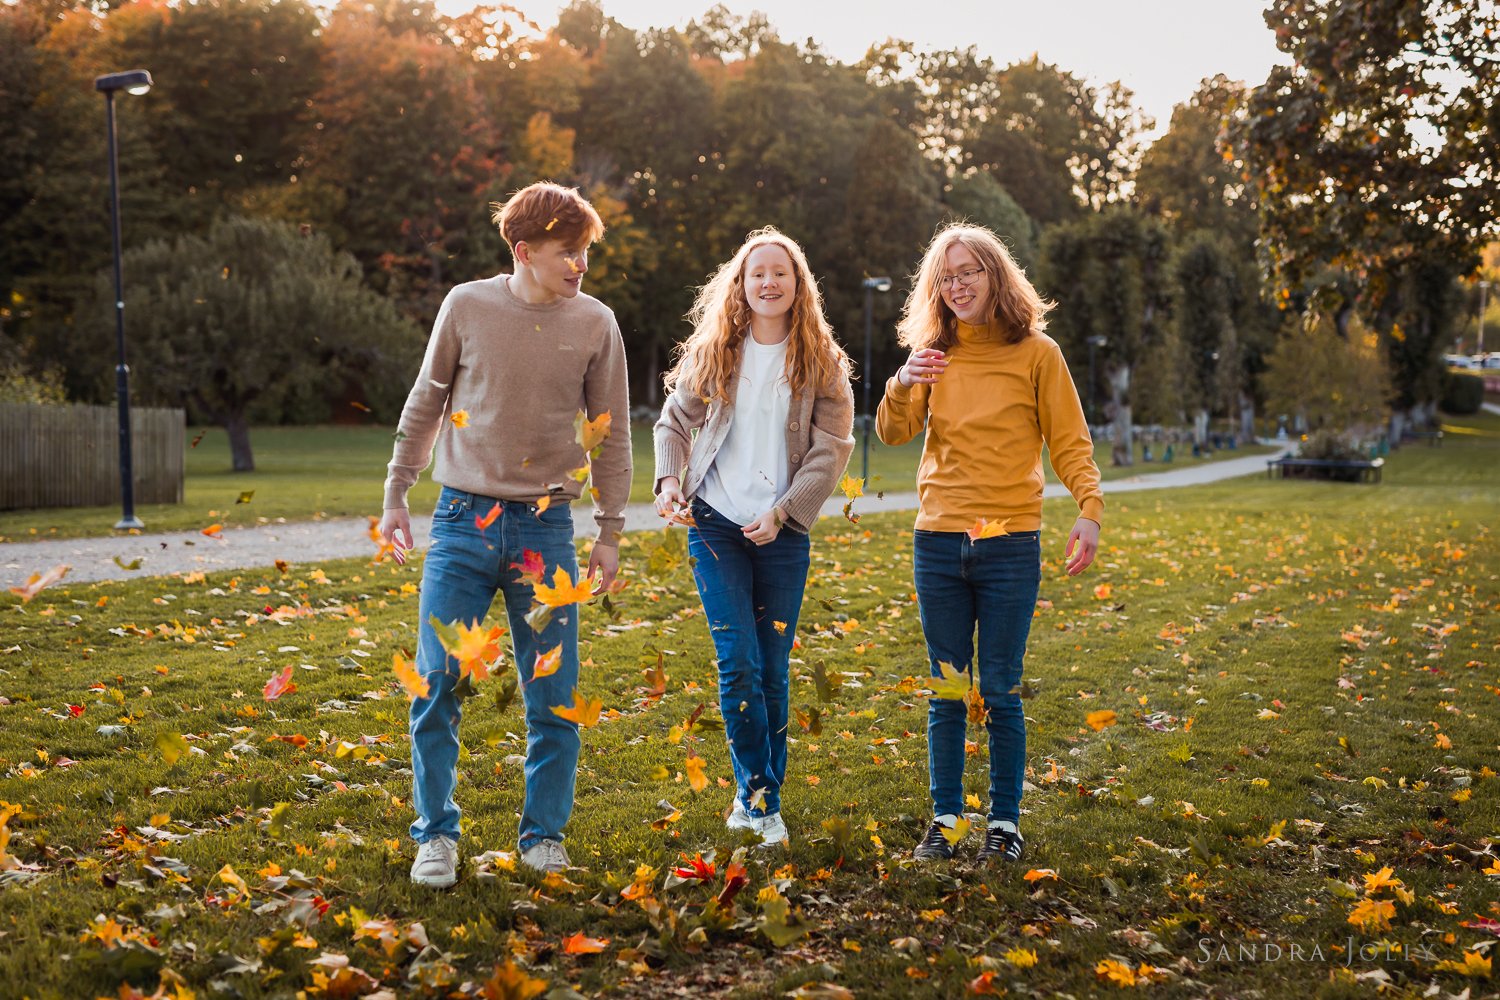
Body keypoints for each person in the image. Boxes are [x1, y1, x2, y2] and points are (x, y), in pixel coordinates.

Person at [378, 182, 631, 885]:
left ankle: (543, 836)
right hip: (462, 520)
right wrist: (398, 489)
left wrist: (608, 529)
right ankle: (436, 835)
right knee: (437, 684)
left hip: (546, 530)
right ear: (524, 251)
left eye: (584, 252)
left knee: (554, 695)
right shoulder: (466, 305)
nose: (580, 265)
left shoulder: (596, 323)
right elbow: (427, 399)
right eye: (567, 252)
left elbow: (610, 434)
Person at [876, 222, 1102, 865]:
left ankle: (1004, 822)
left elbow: (1069, 441)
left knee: (1000, 688)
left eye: (969, 271)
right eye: (946, 277)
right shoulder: (934, 353)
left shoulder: (1037, 353)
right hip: (940, 539)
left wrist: (1089, 509)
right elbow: (895, 434)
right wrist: (903, 379)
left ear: (995, 275)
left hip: (1007, 540)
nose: (957, 285)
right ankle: (945, 820)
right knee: (948, 686)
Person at [653, 227, 854, 847]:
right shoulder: (715, 351)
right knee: (737, 663)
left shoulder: (823, 364)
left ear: (799, 287)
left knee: (770, 669)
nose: (768, 282)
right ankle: (762, 801)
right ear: (739, 286)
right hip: (714, 526)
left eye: (781, 273)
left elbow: (831, 451)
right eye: (756, 273)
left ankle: (758, 796)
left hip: (783, 533)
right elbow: (674, 421)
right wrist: (667, 480)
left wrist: (786, 511)